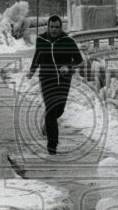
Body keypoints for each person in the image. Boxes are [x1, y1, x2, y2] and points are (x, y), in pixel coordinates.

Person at [26, 15, 83, 154]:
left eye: (57, 27)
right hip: (46, 79)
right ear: (48, 26)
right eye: (52, 27)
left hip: (63, 80)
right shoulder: (41, 39)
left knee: (59, 109)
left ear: (61, 27)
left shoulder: (67, 41)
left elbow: (79, 59)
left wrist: (68, 67)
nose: (54, 30)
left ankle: (48, 123)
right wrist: (32, 71)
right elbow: (37, 56)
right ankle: (52, 144)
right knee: (51, 109)